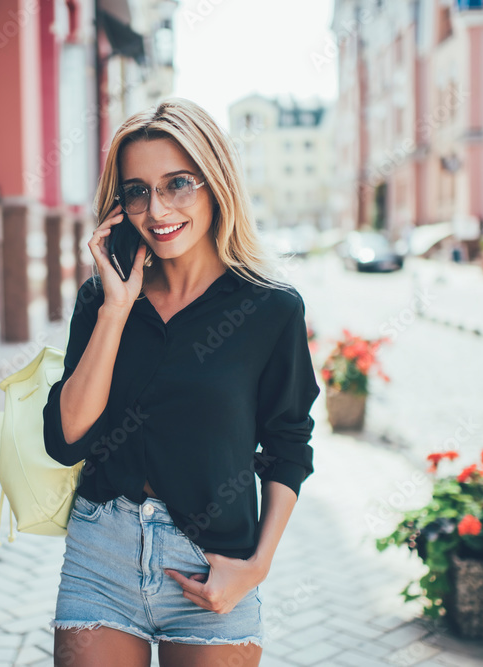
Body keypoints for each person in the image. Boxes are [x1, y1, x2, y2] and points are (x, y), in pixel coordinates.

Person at [43, 98, 321, 667]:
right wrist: (116, 311)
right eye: (137, 190)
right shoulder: (103, 298)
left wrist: (255, 566)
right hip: (102, 554)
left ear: (215, 184)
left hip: (211, 563)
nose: (157, 208)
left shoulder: (269, 309)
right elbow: (66, 437)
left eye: (178, 183)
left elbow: (289, 446)